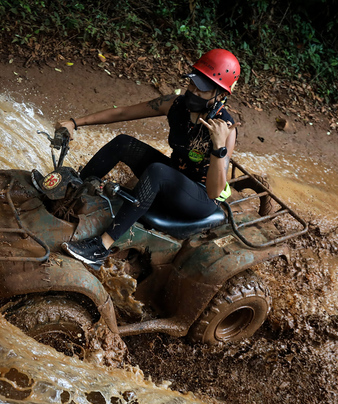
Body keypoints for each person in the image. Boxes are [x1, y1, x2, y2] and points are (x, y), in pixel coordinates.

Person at [58, 48, 241, 267]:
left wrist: (218, 146)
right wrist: (75, 122)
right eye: (192, 84)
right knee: (124, 143)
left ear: (220, 95)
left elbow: (215, 191)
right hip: (173, 178)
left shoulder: (226, 130)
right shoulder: (176, 104)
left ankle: (100, 249)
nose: (193, 91)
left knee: (158, 171)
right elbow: (123, 113)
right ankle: (72, 191)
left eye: (202, 90)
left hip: (199, 197)